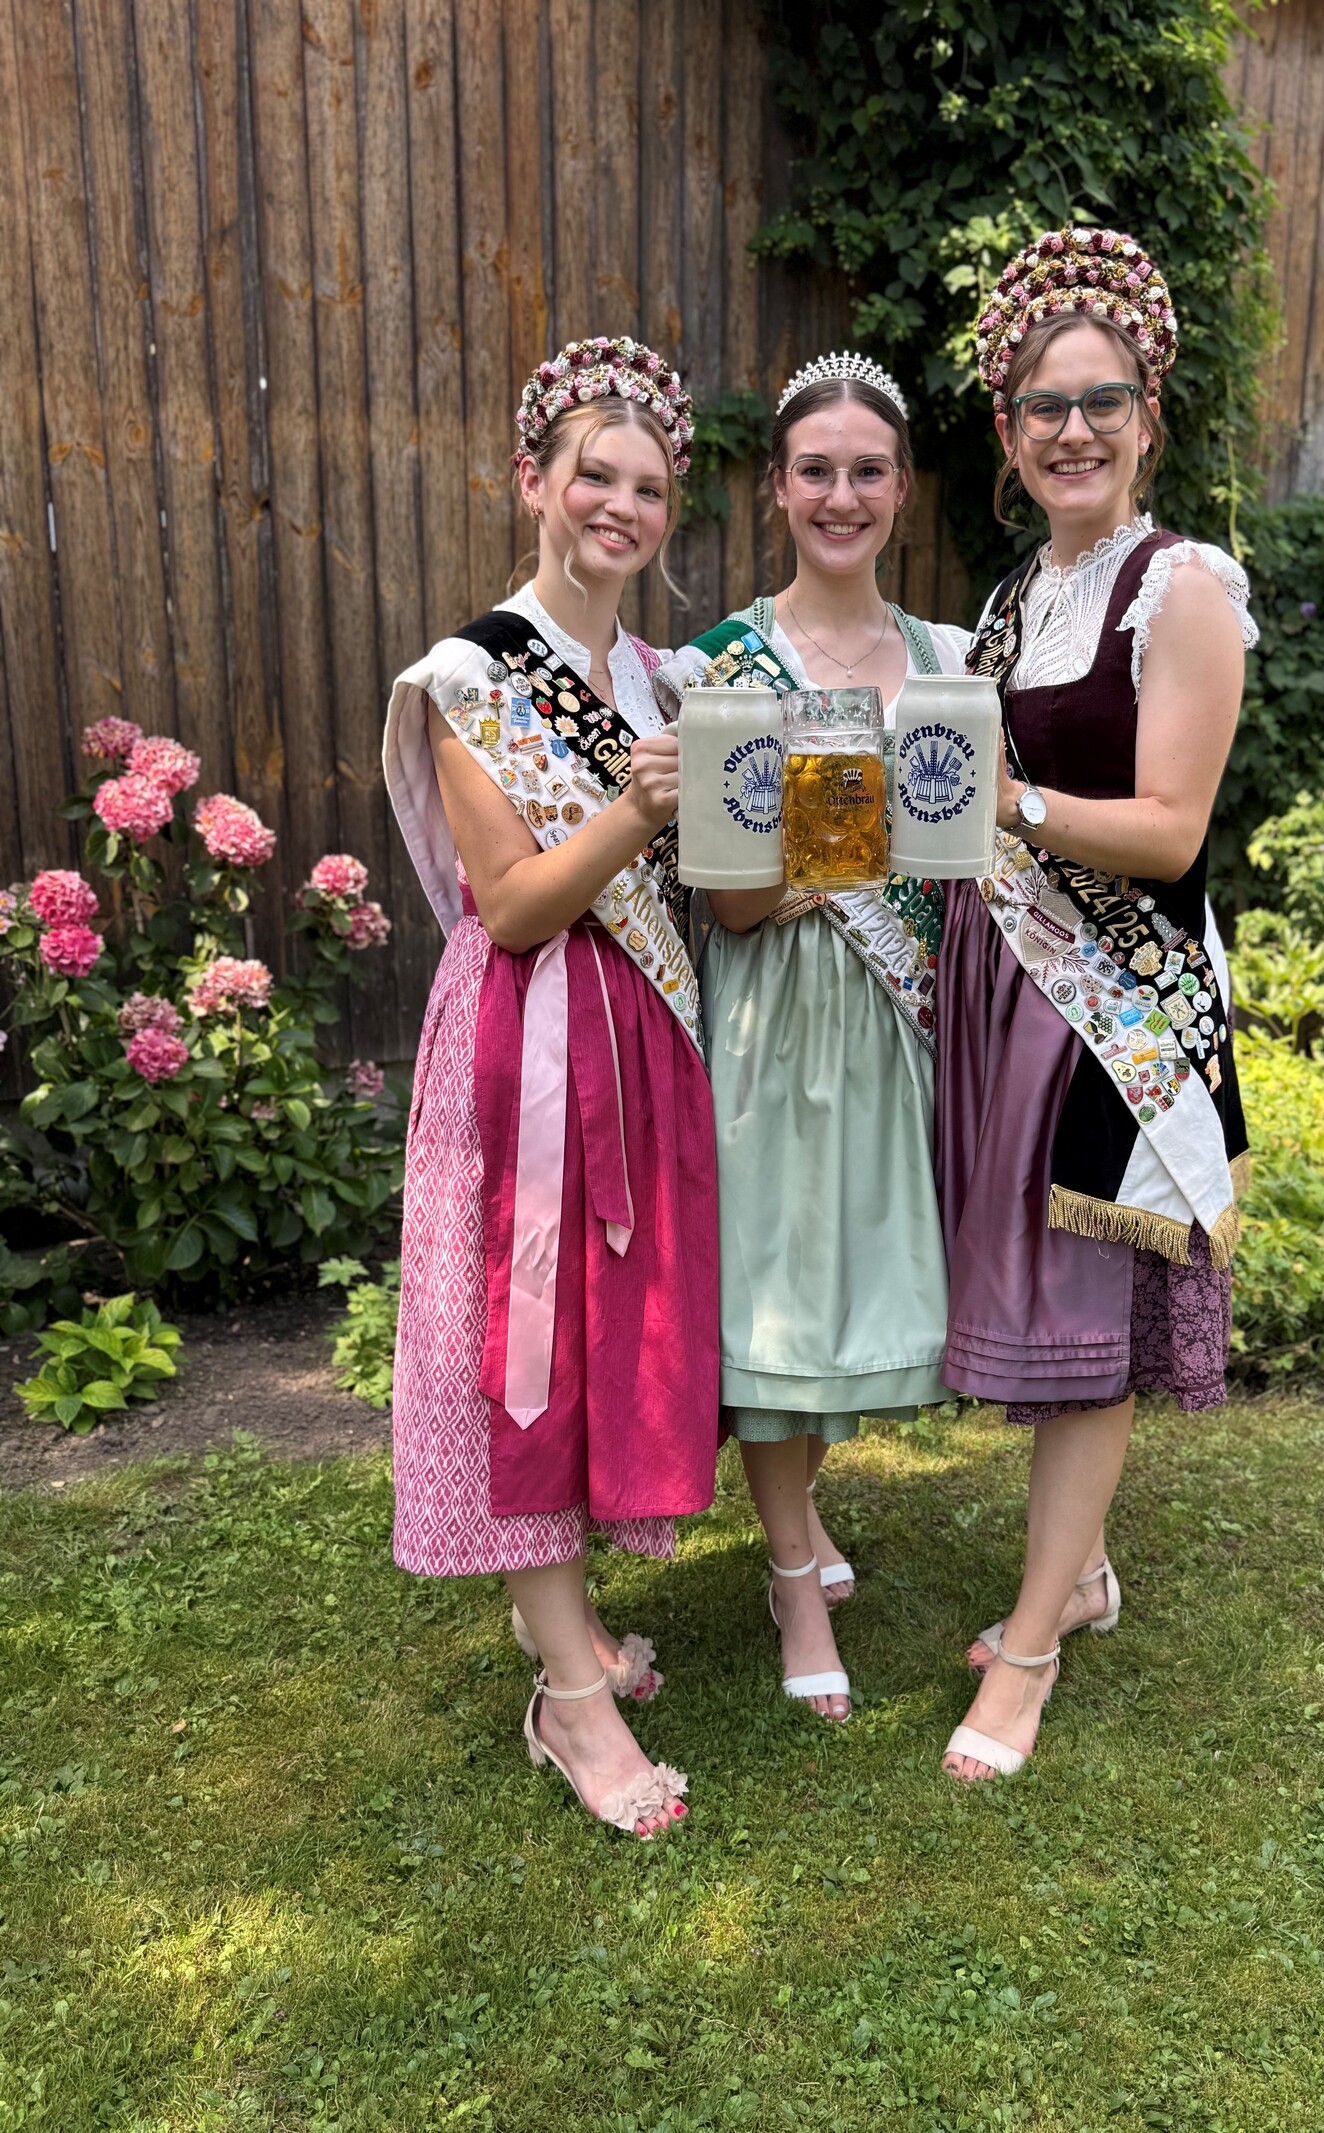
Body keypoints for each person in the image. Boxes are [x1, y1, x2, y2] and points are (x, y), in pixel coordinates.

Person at [382, 337, 717, 1838]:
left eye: (648, 487)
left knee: (598, 1329)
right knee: (524, 1333)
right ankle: (571, 1698)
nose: (620, 506)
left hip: (639, 1032)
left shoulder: (665, 681)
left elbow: (721, 881)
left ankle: (566, 1628)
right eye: (595, 474)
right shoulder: (471, 675)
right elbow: (514, 906)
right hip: (528, 1036)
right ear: (534, 480)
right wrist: (640, 810)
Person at [935, 231, 1257, 1782]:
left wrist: (1006, 803)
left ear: (1148, 418)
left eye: (1101, 401)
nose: (1073, 429)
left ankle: (1032, 1648)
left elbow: (1173, 830)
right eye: (1042, 405)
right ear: (1008, 433)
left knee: (1087, 1317)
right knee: (1050, 1308)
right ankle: (1082, 1572)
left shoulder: (1180, 587)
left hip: (1116, 1010)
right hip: (1016, 994)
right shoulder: (1015, 601)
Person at [654, 353, 969, 1724]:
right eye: (815, 470)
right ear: (777, 490)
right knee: (776, 1292)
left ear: (903, 490)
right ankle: (791, 1575)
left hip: (908, 1017)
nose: (843, 495)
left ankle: (805, 1517)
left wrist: (852, 829)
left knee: (857, 1284)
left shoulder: (951, 659)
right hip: (774, 1016)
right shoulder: (719, 662)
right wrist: (877, 830)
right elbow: (732, 898)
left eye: (868, 471)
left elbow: (970, 856)